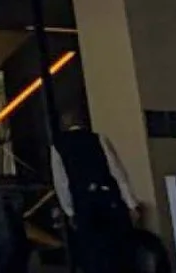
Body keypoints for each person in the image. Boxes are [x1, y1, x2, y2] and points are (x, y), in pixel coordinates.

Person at [51, 111, 141, 273]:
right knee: (118, 251)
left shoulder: (58, 146)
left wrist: (69, 211)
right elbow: (117, 172)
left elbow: (61, 182)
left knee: (93, 254)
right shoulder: (98, 139)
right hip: (108, 200)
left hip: (84, 204)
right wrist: (131, 203)